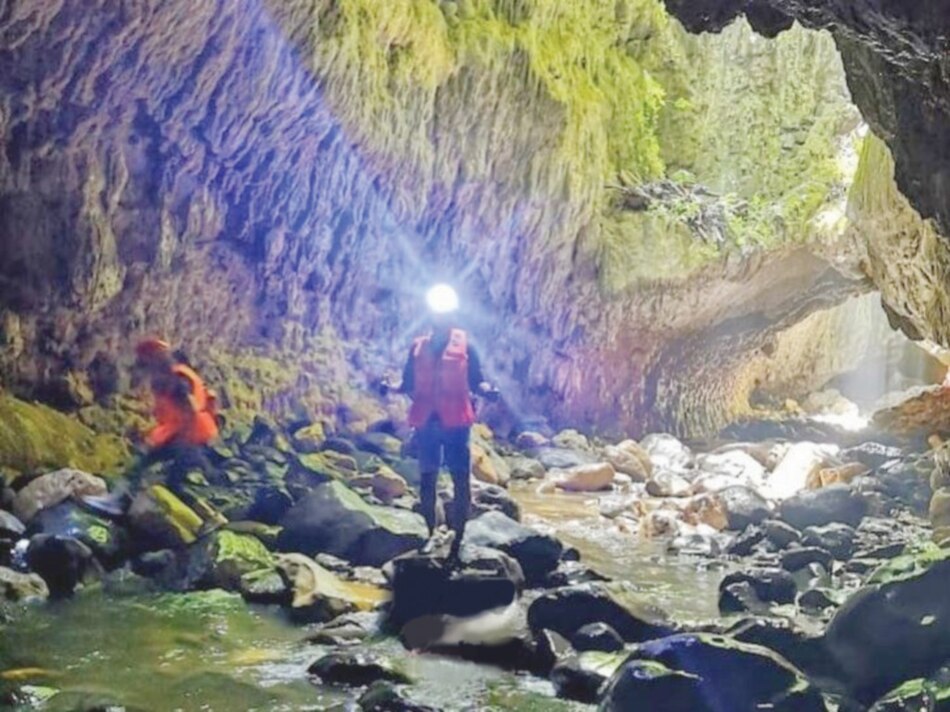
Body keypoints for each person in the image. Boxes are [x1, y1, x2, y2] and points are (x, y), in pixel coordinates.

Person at [380, 284, 498, 557]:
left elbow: (476, 379)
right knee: (428, 478)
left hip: (456, 421)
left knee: (460, 479)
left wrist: (487, 390)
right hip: (428, 421)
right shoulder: (418, 347)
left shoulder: (466, 344)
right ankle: (430, 535)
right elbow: (408, 382)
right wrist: (390, 387)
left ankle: (459, 539)